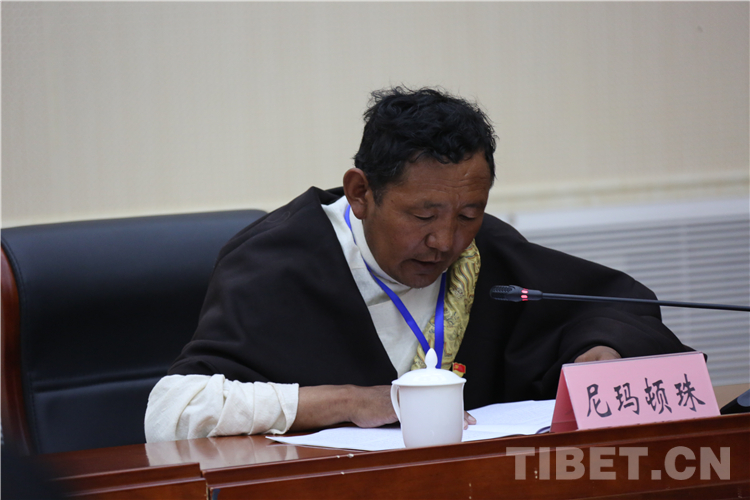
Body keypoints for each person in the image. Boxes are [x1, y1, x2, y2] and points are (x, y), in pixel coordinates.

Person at [145, 87, 690, 442]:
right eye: (423, 215)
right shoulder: (275, 261)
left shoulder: (483, 250)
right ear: (361, 193)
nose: (445, 241)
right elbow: (171, 410)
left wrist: (603, 353)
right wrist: (349, 401)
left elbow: (613, 306)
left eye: (468, 214)